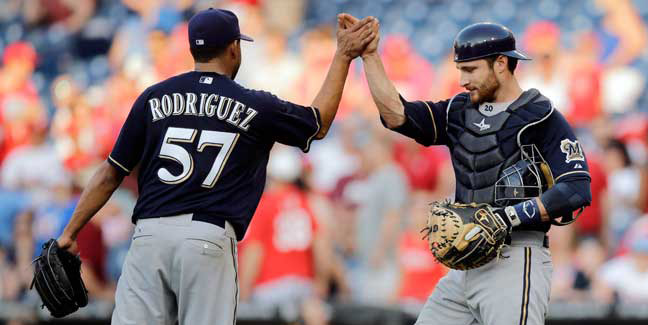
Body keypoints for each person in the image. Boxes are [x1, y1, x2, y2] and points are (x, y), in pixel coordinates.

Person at [55, 8, 377, 325]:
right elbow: (317, 123)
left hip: (149, 236)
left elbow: (110, 173)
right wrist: (343, 56)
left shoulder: (152, 98)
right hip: (206, 238)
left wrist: (69, 233)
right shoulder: (255, 104)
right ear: (234, 48)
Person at [344, 16, 592, 325]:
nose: (462, 78)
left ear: (501, 63)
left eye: (471, 69)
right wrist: (369, 57)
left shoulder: (541, 117)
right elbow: (396, 115)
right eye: (461, 69)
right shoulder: (457, 111)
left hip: (515, 259)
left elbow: (576, 189)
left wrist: (506, 216)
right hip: (465, 263)